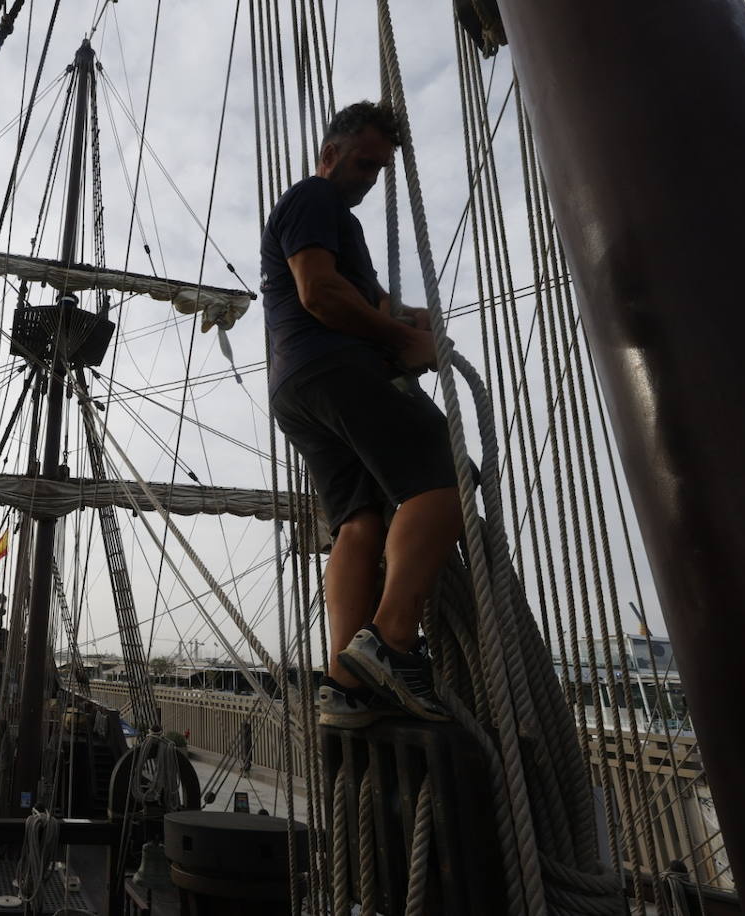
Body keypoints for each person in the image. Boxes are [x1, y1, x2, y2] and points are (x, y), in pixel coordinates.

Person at [260, 101, 463, 728]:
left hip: (297, 386)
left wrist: (413, 322)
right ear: (331, 151)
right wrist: (402, 343)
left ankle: (346, 683)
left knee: (358, 520)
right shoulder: (313, 199)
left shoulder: (342, 226)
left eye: (378, 169)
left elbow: (368, 300)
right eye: (362, 162)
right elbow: (320, 292)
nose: (368, 178)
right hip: (334, 367)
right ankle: (392, 640)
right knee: (442, 474)